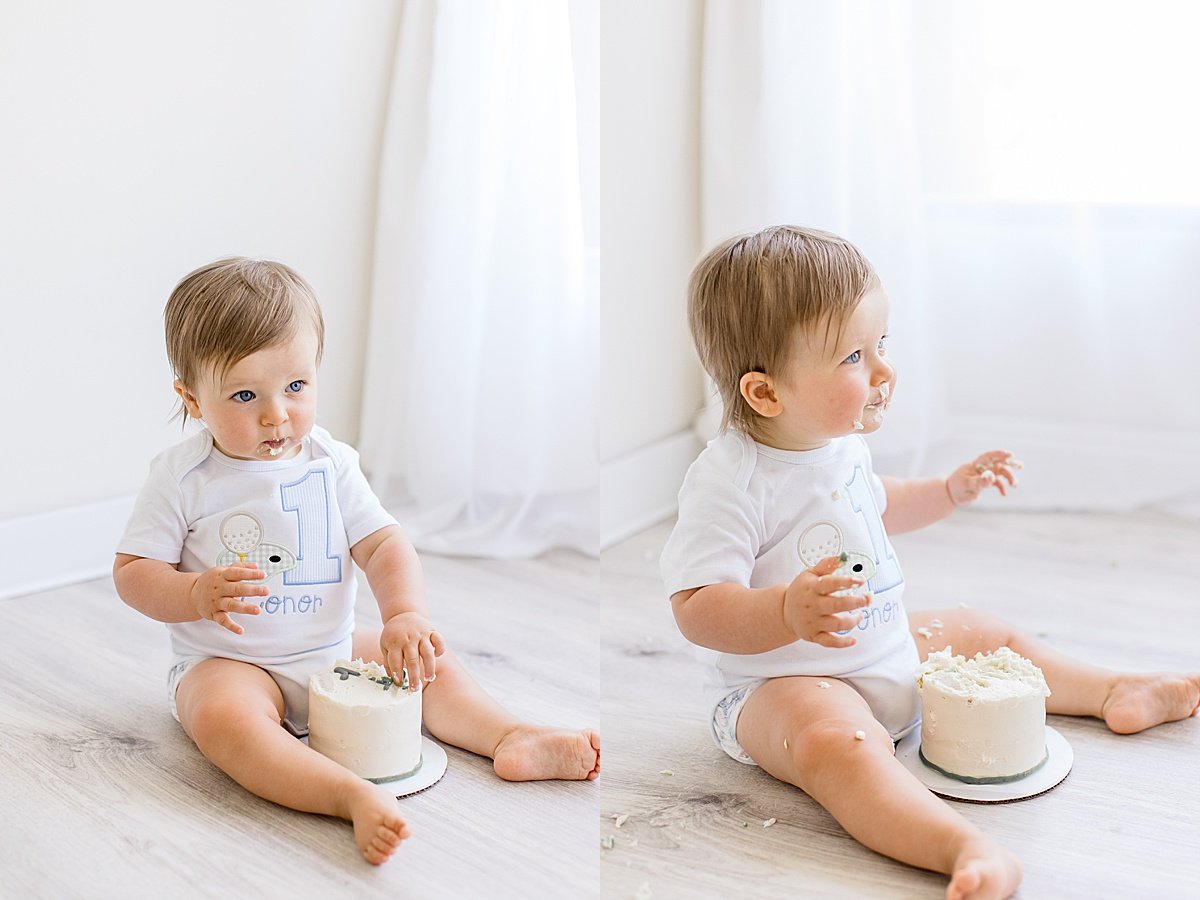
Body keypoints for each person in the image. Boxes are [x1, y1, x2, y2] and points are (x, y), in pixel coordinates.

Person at [660, 226, 1200, 900]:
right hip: (786, 686)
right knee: (835, 745)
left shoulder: (837, 444)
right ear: (766, 394)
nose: (884, 371)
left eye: (881, 344)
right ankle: (960, 846)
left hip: (883, 648)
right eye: (854, 357)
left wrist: (949, 490)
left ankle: (1114, 689)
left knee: (983, 630)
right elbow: (696, 606)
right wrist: (783, 611)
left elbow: (880, 507)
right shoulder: (731, 482)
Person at [114, 258, 600, 866]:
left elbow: (383, 543)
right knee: (225, 721)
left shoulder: (330, 461)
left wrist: (404, 614)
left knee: (428, 664)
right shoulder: (183, 478)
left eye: (296, 387)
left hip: (335, 646)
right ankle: (342, 794)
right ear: (191, 398)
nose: (277, 414)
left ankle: (508, 734)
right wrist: (192, 595)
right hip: (230, 660)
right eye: (245, 394)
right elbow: (133, 571)